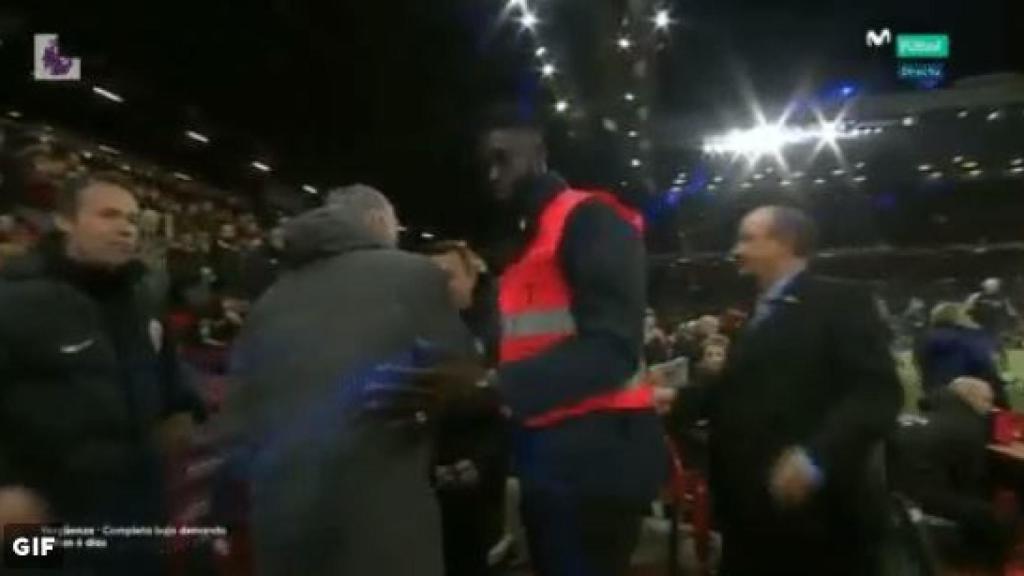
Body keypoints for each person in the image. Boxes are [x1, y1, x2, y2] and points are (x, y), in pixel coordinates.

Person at [222, 184, 473, 576]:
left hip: (283, 531)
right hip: (381, 531)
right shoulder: (414, 275)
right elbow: (460, 384)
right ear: (376, 221)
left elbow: (238, 419)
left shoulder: (269, 300)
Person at [476, 108, 667, 576]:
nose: (493, 173)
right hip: (551, 459)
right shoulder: (529, 241)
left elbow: (613, 347)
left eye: (504, 158)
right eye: (485, 163)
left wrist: (492, 386)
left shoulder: (590, 218)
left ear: (539, 154)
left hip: (597, 464)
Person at [675, 205, 902, 576]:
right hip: (748, 509)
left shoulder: (840, 301)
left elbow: (876, 393)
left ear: (786, 243)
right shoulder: (756, 313)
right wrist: (678, 400)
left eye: (748, 238)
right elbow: (739, 391)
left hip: (817, 519)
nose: (736, 250)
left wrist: (815, 458)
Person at [0, 172, 203, 574]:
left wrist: (184, 411)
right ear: (64, 220)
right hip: (44, 512)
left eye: (132, 220)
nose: (126, 229)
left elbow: (171, 386)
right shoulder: (14, 300)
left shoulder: (143, 300)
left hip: (134, 509)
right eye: (109, 215)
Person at [423, 240, 510, 576]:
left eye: (448, 275)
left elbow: (504, 398)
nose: (440, 286)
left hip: (478, 477)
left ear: (471, 277)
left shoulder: (498, 328)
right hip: (425, 481)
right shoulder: (408, 327)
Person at [890, 377, 1014, 570]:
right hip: (922, 498)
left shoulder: (919, 416)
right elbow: (972, 479)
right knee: (989, 515)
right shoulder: (967, 426)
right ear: (973, 398)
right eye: (987, 401)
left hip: (894, 492)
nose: (991, 408)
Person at [915, 302, 1007, 409]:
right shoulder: (968, 338)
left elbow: (923, 367)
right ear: (957, 318)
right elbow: (985, 369)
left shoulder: (923, 339)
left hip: (935, 397)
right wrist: (1002, 402)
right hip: (968, 399)